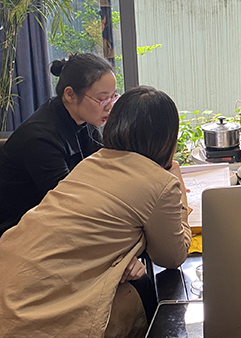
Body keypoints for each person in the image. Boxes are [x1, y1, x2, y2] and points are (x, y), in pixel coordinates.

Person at [0, 86, 193, 338]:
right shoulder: (159, 182)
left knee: (138, 282)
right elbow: (173, 256)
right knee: (143, 292)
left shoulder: (92, 163)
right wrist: (176, 182)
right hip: (36, 315)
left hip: (10, 282)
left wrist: (122, 255)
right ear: (167, 137)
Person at [0, 53, 118, 236]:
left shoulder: (85, 121)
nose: (109, 106)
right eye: (102, 99)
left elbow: (105, 168)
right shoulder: (39, 138)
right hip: (17, 229)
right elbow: (68, 199)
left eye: (113, 97)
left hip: (53, 219)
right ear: (70, 94)